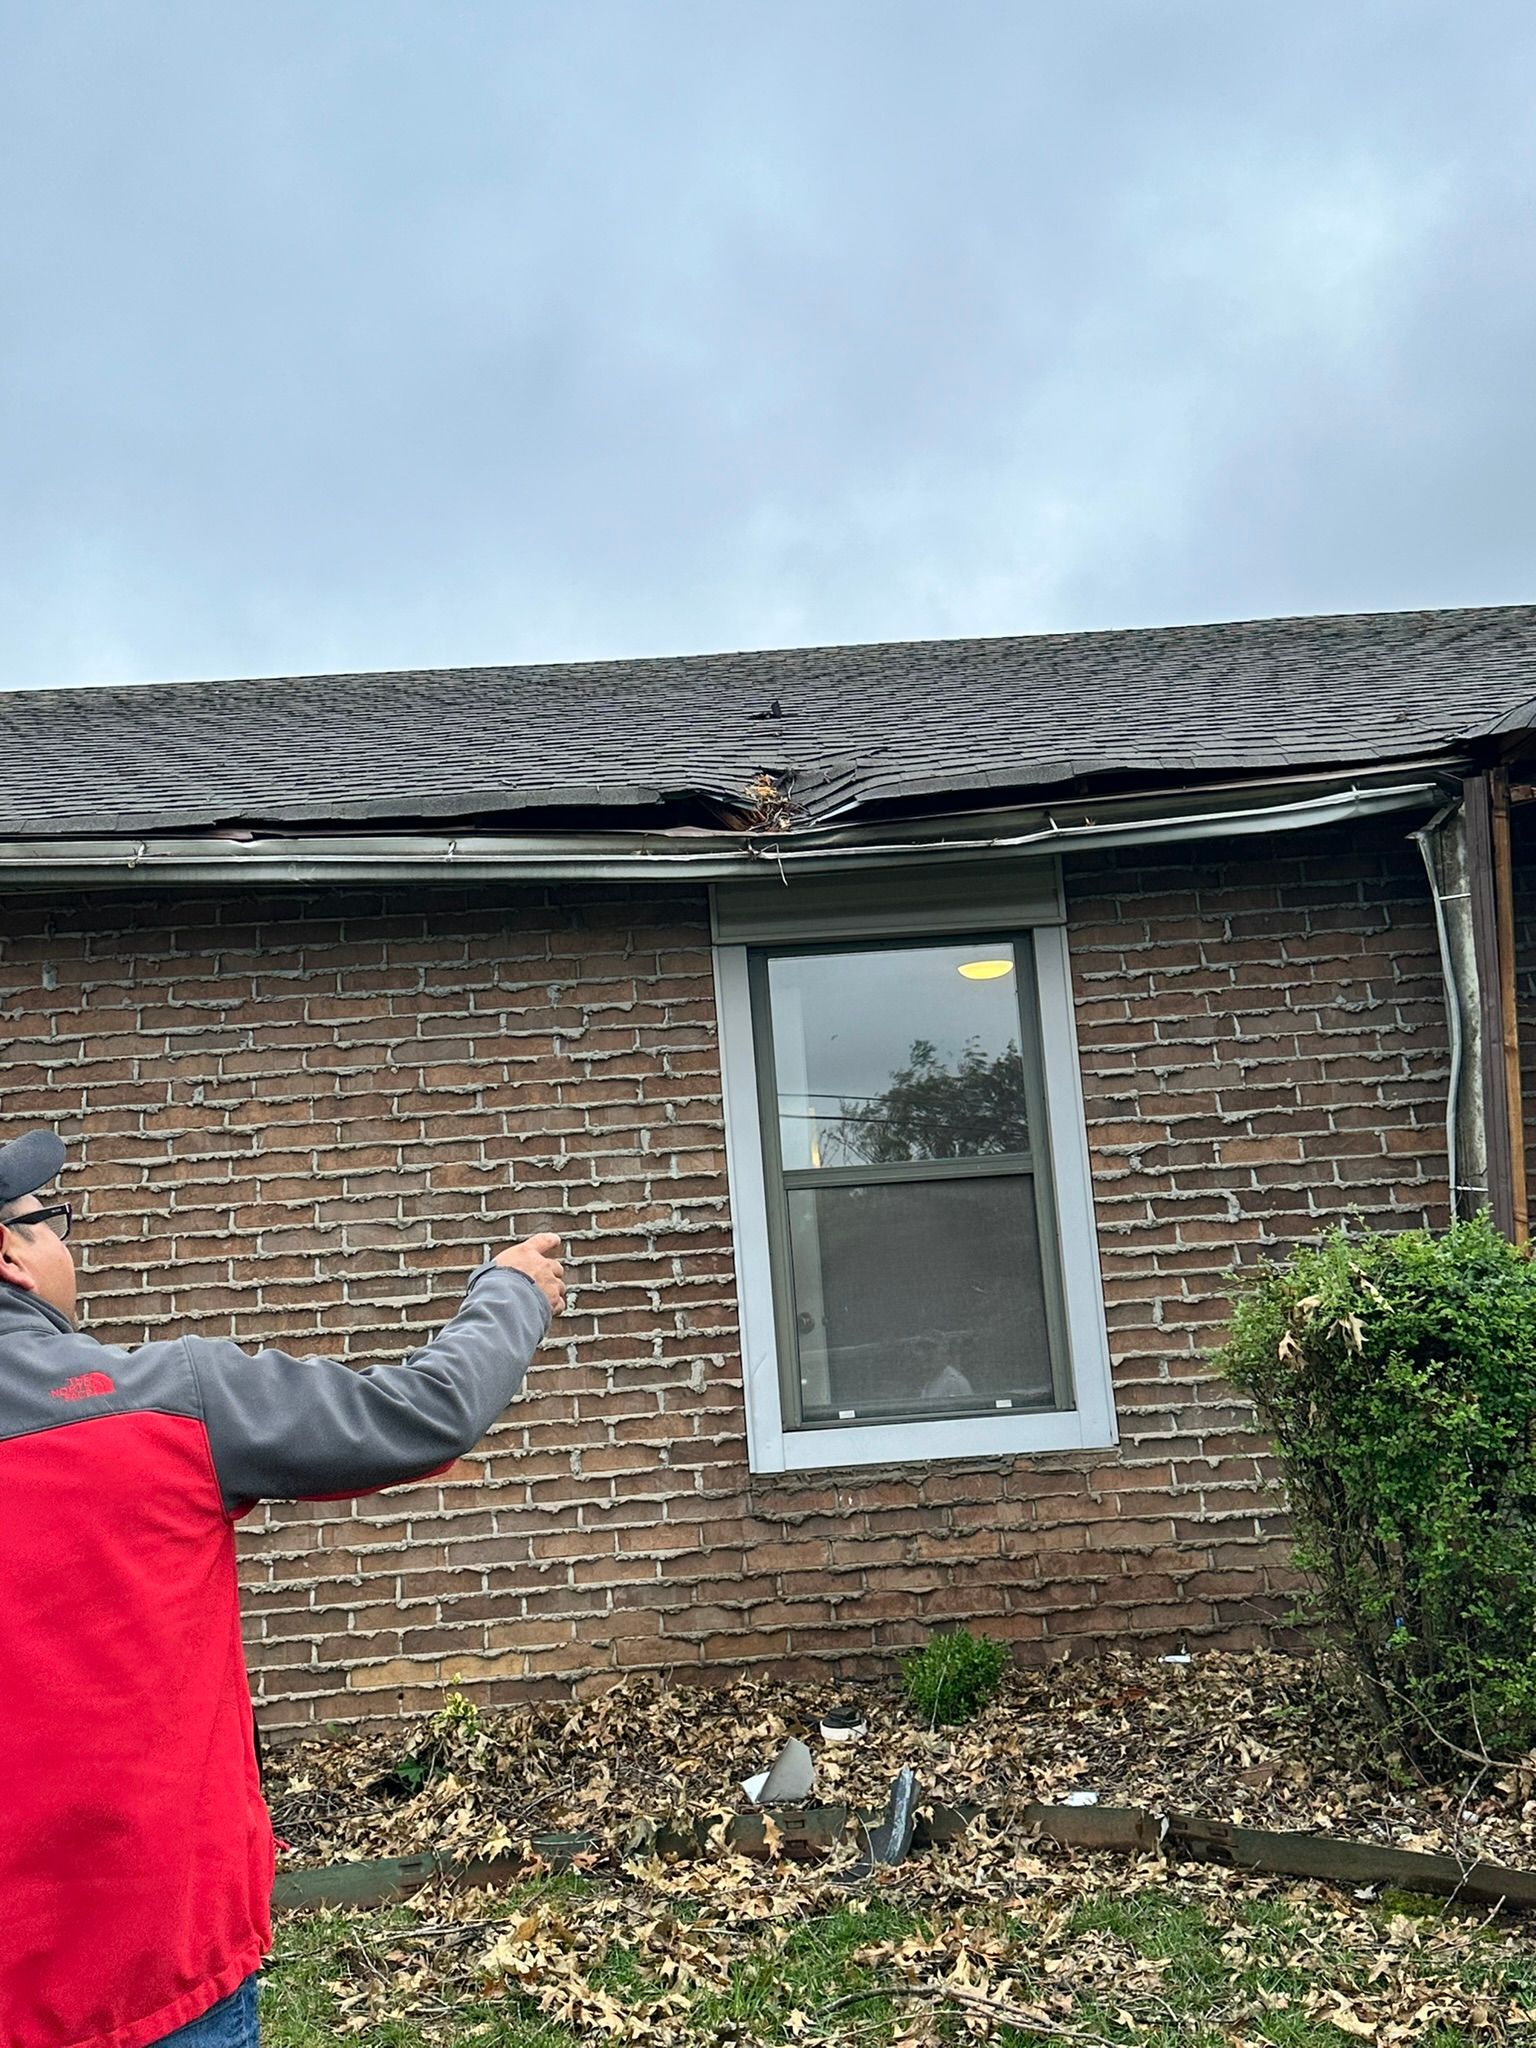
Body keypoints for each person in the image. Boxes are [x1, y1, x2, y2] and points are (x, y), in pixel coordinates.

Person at [0, 1128, 566, 2048]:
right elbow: (426, 1413)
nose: (62, 1242)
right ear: (9, 1257)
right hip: (158, 1976)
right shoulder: (168, 1403)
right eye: (45, 1220)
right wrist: (509, 1293)